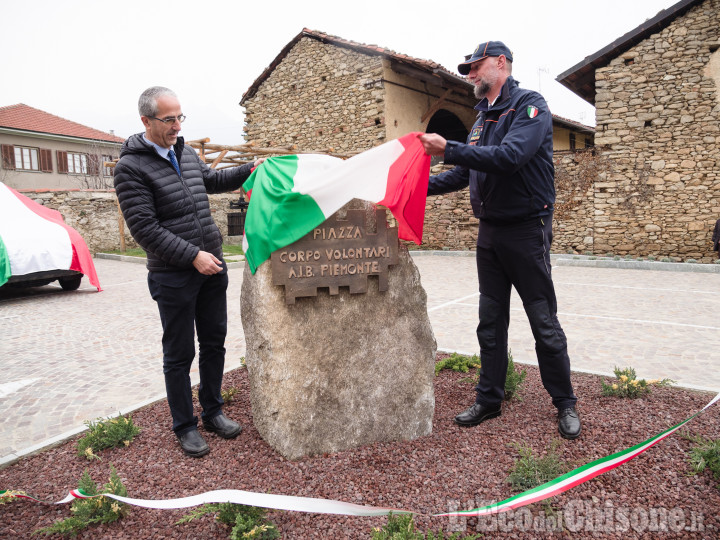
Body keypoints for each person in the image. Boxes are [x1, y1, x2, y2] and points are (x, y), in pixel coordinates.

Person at [419, 41, 581, 439]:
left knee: (543, 321)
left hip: (527, 230)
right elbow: (463, 175)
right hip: (490, 234)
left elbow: (510, 157)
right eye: (468, 69)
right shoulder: (479, 120)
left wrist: (449, 147)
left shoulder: (530, 106)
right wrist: (416, 187)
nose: (470, 74)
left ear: (501, 63)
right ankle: (489, 400)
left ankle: (565, 403)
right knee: (490, 323)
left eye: (476, 67)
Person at [114, 86, 262, 457]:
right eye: (169, 119)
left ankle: (213, 412)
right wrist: (193, 255)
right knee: (179, 355)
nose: (177, 125)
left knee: (214, 343)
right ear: (146, 121)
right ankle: (184, 426)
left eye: (181, 117)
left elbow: (209, 182)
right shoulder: (130, 168)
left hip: (211, 266)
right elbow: (145, 230)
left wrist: (247, 170)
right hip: (173, 275)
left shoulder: (186, 151)